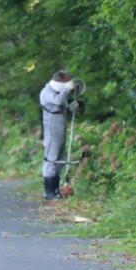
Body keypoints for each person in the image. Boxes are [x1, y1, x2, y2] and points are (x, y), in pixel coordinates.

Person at [39, 70, 79, 199]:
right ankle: (49, 191)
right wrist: (66, 90)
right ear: (60, 81)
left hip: (60, 126)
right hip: (51, 127)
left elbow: (61, 107)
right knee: (52, 157)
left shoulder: (58, 92)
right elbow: (57, 101)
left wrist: (71, 108)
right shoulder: (47, 92)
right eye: (66, 80)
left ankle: (56, 190)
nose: (68, 83)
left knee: (59, 157)